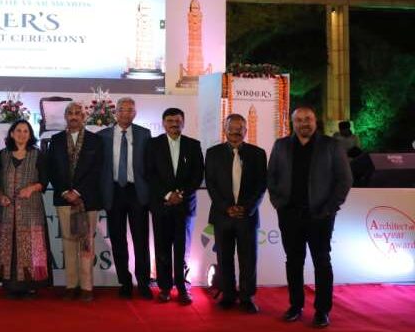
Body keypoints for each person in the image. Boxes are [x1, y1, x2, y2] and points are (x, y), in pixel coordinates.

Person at [267, 106, 352, 328]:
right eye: (299, 120)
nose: (304, 123)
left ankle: (322, 311)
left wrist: (329, 208)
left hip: (321, 216)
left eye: (308, 119)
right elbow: (271, 177)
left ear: (315, 121)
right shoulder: (281, 145)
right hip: (289, 215)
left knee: (322, 262)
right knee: (293, 262)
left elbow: (344, 180)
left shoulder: (331, 145)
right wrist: (279, 204)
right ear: (292, 123)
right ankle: (295, 306)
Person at [204, 114, 267, 314]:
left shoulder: (258, 154)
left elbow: (261, 185)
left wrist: (247, 208)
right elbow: (211, 184)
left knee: (248, 259)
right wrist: (226, 207)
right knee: (224, 258)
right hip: (222, 215)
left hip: (247, 216)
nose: (235, 132)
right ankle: (228, 295)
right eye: (231, 128)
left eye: (239, 129)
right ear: (225, 129)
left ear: (245, 131)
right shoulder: (212, 153)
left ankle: (247, 297)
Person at [47, 101, 103, 302]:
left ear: (84, 117)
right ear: (65, 117)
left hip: (87, 199)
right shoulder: (56, 140)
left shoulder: (95, 141)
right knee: (68, 243)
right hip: (63, 198)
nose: (73, 116)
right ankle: (71, 285)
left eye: (78, 113)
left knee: (86, 243)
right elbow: (51, 169)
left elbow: (97, 170)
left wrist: (78, 192)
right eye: (70, 113)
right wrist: (65, 191)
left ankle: (87, 287)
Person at [146, 107, 203, 306]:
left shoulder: (193, 145)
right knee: (162, 248)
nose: (174, 124)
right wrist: (168, 194)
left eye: (178, 121)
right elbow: (149, 174)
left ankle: (183, 287)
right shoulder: (153, 145)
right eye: (170, 121)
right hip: (161, 205)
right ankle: (164, 288)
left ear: (183, 123)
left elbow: (198, 175)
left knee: (182, 250)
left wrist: (180, 194)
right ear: (163, 123)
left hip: (185, 206)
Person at [97, 97, 153, 299]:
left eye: (130, 110)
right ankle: (125, 282)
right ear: (115, 112)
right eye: (121, 109)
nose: (125, 113)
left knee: (141, 241)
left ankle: (144, 283)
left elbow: (150, 165)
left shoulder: (144, 134)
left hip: (137, 192)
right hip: (113, 192)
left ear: (135, 113)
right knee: (118, 240)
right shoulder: (102, 136)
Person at [0, 120, 52, 298]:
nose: (22, 134)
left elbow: (44, 180)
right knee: (7, 244)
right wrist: (0, 195)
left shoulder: (38, 155)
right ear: (11, 133)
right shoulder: (2, 155)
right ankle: (11, 285)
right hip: (6, 209)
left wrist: (31, 188)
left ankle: (31, 285)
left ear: (30, 135)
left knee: (31, 244)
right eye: (18, 130)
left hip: (31, 209)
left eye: (26, 131)